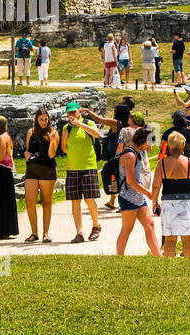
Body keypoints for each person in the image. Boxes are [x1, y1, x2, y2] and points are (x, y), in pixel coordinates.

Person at [153, 131, 190, 259]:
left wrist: (154, 202)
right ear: (183, 147)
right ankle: (189, 265)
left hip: (168, 202)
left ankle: (170, 265)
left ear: (169, 146)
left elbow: (156, 186)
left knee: (170, 239)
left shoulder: (162, 163)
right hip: (186, 202)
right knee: (188, 239)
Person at [114, 128, 161, 257]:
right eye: (149, 143)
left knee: (150, 225)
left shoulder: (137, 153)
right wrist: (147, 192)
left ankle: (159, 257)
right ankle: (119, 257)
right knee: (127, 230)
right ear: (143, 141)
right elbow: (131, 181)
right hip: (128, 197)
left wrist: (143, 193)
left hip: (138, 197)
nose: (150, 146)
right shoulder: (129, 155)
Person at [61, 102, 104, 243]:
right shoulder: (66, 128)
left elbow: (97, 134)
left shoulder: (88, 123)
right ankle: (79, 232)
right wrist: (64, 138)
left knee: (89, 199)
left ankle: (96, 226)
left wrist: (80, 125)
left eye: (73, 112)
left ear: (79, 111)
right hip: (72, 168)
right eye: (69, 113)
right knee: (75, 201)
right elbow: (65, 149)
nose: (71, 115)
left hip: (88, 166)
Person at [22, 108, 59, 242]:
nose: (44, 122)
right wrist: (26, 154)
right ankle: (34, 233)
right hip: (31, 169)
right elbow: (27, 149)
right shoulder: (30, 132)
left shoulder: (54, 133)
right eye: (41, 119)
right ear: (36, 120)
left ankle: (46, 233)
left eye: (45, 119)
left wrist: (52, 141)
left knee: (46, 202)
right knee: (30, 201)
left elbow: (51, 155)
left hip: (47, 169)